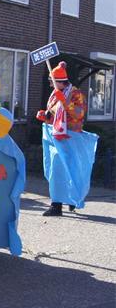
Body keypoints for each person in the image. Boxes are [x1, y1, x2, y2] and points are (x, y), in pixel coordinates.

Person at [36, 61, 91, 217]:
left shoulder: (75, 94)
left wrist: (66, 103)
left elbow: (79, 114)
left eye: (51, 81)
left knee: (68, 170)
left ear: (60, 81)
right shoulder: (55, 94)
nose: (50, 84)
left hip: (70, 138)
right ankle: (61, 202)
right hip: (54, 136)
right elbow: (55, 116)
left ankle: (62, 203)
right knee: (55, 169)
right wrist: (45, 116)